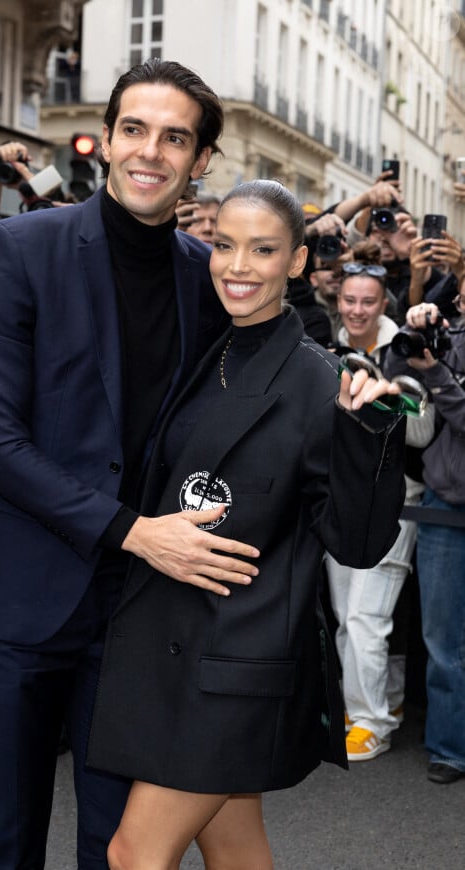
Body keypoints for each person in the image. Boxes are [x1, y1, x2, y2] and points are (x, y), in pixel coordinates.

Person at [0, 59, 259, 869]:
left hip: (138, 616)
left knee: (118, 851)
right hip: (14, 596)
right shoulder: (20, 249)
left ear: (201, 160)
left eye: (175, 137)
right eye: (136, 130)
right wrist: (135, 533)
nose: (152, 152)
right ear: (107, 140)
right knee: (6, 845)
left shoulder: (204, 275)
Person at [86, 180, 407, 869]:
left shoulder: (320, 380)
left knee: (133, 853)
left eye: (262, 250)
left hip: (236, 659)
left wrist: (366, 439)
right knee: (233, 846)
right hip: (170, 641)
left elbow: (357, 542)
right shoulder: (208, 352)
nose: (237, 265)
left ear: (295, 262)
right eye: (224, 245)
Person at [325, 241, 434, 761]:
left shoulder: (404, 347)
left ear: (383, 303)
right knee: (350, 616)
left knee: (369, 617)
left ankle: (371, 722)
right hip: (338, 497)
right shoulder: (324, 346)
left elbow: (423, 433)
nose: (357, 309)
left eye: (367, 300)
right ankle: (369, 707)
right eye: (349, 299)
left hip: (395, 502)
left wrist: (392, 395)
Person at [385, 295, 465, 784]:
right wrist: (413, 335)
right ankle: (450, 747)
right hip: (440, 503)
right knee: (441, 638)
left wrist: (437, 375)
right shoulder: (446, 337)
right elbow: (397, 387)